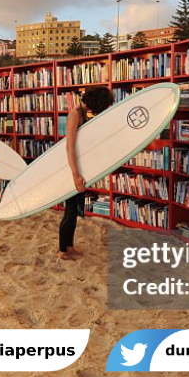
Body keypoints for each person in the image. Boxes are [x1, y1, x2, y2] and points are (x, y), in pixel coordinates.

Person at [59, 86, 114, 260]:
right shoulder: (75, 114)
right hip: (70, 167)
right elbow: (69, 146)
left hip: (77, 165)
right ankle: (62, 250)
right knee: (69, 210)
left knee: (74, 209)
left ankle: (69, 246)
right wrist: (75, 174)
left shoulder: (83, 113)